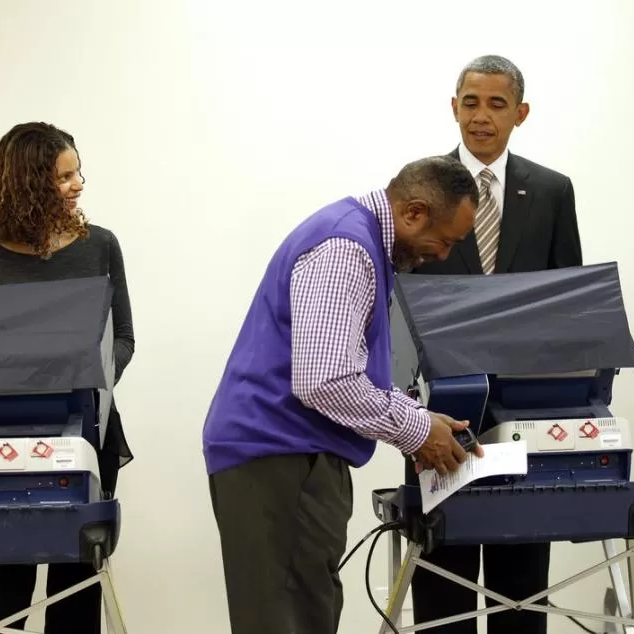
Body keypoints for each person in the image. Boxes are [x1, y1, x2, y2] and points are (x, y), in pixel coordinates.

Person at [202, 155, 484, 634]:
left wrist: (421, 416)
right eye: (445, 240)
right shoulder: (346, 248)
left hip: (285, 458)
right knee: (293, 619)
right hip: (282, 456)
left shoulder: (355, 236)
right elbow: (326, 381)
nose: (443, 254)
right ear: (413, 212)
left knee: (301, 610)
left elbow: (345, 370)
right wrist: (417, 431)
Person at [408, 55, 583, 634]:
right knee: (443, 585)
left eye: (496, 104)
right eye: (470, 102)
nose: (481, 116)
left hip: (527, 418)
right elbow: (398, 306)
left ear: (521, 113)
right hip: (437, 416)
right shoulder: (419, 190)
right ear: (453, 108)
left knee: (522, 587)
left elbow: (567, 304)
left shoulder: (553, 192)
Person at [0, 121, 136, 634]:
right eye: (64, 177)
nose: (79, 184)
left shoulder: (100, 246)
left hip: (87, 437)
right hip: (0, 445)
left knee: (77, 590)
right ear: (30, 186)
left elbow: (123, 337)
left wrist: (86, 381)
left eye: (79, 172)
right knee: (6, 594)